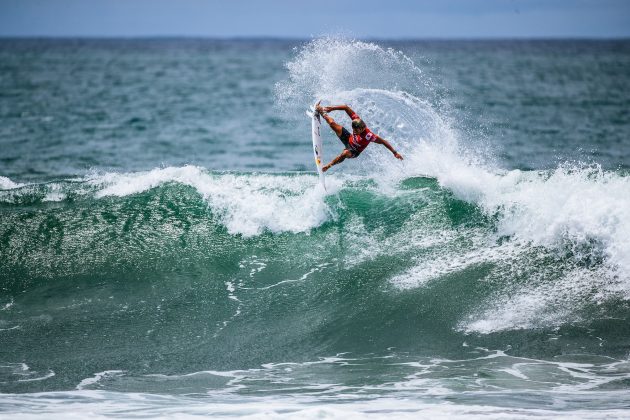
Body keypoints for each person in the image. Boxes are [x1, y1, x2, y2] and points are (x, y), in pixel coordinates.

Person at [315, 102, 403, 172]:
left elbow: (383, 142)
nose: (355, 132)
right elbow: (346, 107)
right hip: (348, 139)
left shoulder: (369, 136)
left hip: (354, 151)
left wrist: (395, 153)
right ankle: (323, 112)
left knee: (344, 154)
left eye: (356, 131)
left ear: (361, 129)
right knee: (332, 124)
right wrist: (332, 108)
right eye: (353, 130)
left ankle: (328, 166)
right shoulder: (356, 119)